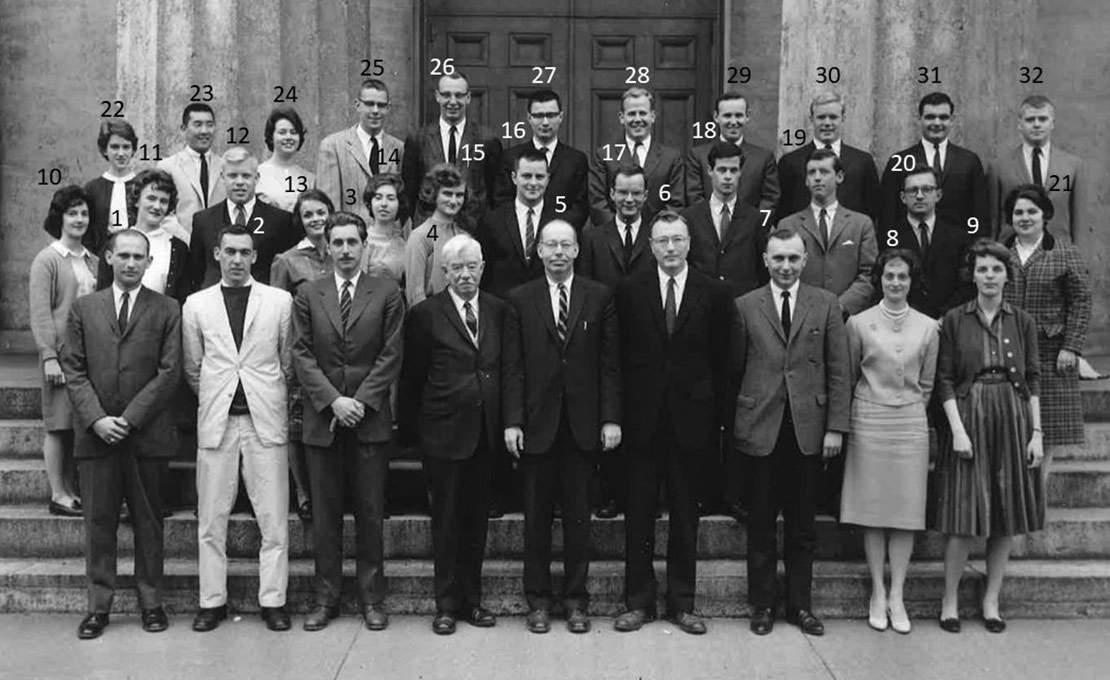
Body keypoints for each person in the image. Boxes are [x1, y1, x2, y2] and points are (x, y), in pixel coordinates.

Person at [612, 211, 732, 635]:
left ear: (688, 243)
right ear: (650, 244)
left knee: (686, 517)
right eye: (661, 240)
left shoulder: (713, 292)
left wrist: (717, 418)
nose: (669, 248)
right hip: (642, 422)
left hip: (691, 422)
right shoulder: (629, 291)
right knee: (639, 516)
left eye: (677, 240)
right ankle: (638, 602)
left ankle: (683, 603)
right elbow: (618, 358)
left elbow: (723, 360)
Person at [61, 229, 182, 640]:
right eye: (124, 255)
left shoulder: (167, 309)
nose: (131, 263)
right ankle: (98, 606)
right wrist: (97, 419)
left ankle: (151, 603)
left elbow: (169, 372)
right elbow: (73, 369)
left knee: (149, 522)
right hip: (96, 435)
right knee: (98, 522)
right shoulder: (83, 308)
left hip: (145, 434)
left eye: (139, 257)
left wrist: (128, 419)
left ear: (150, 262)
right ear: (108, 257)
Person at [502, 219, 621, 634]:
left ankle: (575, 600)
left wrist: (610, 418)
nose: (557, 252)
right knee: (535, 521)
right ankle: (537, 601)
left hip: (583, 426)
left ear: (575, 251)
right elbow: (513, 367)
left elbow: (610, 365)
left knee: (578, 521)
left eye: (564, 245)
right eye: (549, 245)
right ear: (538, 250)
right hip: (536, 426)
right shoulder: (519, 299)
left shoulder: (598, 296)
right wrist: (513, 422)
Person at [730, 227, 850, 637]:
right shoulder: (745, 305)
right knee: (761, 523)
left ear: (805, 260)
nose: (785, 266)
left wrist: (835, 427)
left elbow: (838, 370)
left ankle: (800, 605)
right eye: (778, 258)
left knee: (802, 525)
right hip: (760, 426)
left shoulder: (826, 304)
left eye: (793, 259)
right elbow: (733, 369)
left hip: (808, 429)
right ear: (765, 259)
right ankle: (762, 604)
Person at [292, 211, 404, 632]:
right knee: (325, 517)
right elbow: (301, 353)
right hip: (324, 421)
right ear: (327, 247)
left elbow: (392, 353)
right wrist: (333, 402)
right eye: (336, 243)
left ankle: (373, 599)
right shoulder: (309, 293)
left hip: (369, 420)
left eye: (351, 242)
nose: (343, 250)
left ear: (364, 246)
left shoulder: (387, 292)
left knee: (371, 514)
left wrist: (359, 402)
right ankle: (326, 599)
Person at [183, 226, 294, 633]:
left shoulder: (279, 302)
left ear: (254, 257)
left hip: (264, 419)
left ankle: (274, 601)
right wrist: (221, 393)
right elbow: (193, 367)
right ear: (216, 254)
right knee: (212, 519)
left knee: (274, 519)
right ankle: (211, 601)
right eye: (229, 251)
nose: (236, 259)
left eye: (244, 252)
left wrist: (261, 392)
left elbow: (286, 361)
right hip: (217, 421)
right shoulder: (195, 305)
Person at [933, 238, 1045, 634]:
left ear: (1006, 274)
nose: (990, 276)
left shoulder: (1023, 321)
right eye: (983, 269)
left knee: (1005, 514)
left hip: (1012, 415)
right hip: (969, 413)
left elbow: (1032, 377)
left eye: (997, 269)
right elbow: (944, 380)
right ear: (973, 275)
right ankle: (949, 601)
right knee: (963, 516)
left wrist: (1036, 433)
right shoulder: (953, 319)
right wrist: (958, 431)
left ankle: (991, 600)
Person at [399, 234, 507, 635]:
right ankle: (445, 605)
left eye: (471, 266)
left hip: (485, 434)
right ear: (444, 272)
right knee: (445, 522)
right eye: (456, 268)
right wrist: (416, 434)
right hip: (443, 434)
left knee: (476, 522)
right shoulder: (426, 315)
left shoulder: (497, 310)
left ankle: (473, 601)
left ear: (482, 267)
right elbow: (413, 379)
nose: (465, 275)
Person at [841, 249, 939, 635]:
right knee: (874, 509)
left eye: (902, 277)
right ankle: (877, 593)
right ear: (879, 280)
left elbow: (928, 383)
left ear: (912, 281)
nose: (895, 283)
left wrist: (910, 407)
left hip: (910, 423)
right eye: (889, 276)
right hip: (869, 420)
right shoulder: (860, 324)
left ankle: (898, 592)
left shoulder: (930, 327)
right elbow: (850, 375)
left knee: (905, 510)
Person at [1002, 184, 1091, 448]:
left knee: (1047, 432)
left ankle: (1038, 490)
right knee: (1013, 429)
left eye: (1032, 211)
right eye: (1018, 212)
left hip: (1052, 354)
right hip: (1008, 349)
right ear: (1010, 217)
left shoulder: (1065, 253)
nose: (1025, 218)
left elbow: (1081, 301)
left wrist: (1071, 347)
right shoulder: (999, 254)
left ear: (1045, 215)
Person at [29, 186, 99, 517]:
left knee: (77, 425)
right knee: (58, 426)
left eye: (84, 213)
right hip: (60, 356)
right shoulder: (48, 260)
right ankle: (58, 493)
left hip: (88, 357)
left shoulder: (93, 260)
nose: (79, 219)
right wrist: (49, 357)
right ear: (60, 217)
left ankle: (72, 490)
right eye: (72, 213)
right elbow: (41, 312)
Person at [270, 189, 335, 522]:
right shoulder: (287, 260)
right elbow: (278, 313)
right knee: (297, 422)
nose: (315, 219)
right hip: (302, 349)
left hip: (339, 350)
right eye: (308, 215)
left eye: (321, 212)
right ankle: (303, 492)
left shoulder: (342, 251)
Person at [779, 148, 877, 318]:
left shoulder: (861, 224)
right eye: (811, 173)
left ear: (839, 177)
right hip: (801, 317)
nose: (817, 177)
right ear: (806, 181)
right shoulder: (789, 225)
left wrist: (840, 306)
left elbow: (869, 273)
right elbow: (782, 271)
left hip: (847, 318)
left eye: (824, 172)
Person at [402, 72, 503, 228]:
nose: (453, 101)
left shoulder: (487, 140)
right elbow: (409, 192)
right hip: (430, 230)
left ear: (468, 98)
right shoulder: (418, 139)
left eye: (459, 95)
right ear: (438, 97)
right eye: (446, 95)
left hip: (473, 231)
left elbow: (495, 193)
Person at [880, 92, 989, 235]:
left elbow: (979, 212)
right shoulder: (899, 161)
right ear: (919, 119)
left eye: (943, 117)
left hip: (958, 247)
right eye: (930, 117)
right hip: (910, 247)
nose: (937, 123)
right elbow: (888, 213)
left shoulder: (969, 161)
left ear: (952, 120)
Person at [189, 147, 299, 288]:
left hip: (263, 303)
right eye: (233, 176)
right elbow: (195, 273)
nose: (239, 182)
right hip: (214, 304)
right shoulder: (202, 220)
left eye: (246, 176)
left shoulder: (281, 221)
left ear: (257, 178)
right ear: (222, 177)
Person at [989, 95, 1088, 245]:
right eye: (1030, 120)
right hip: (1012, 254)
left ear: (1052, 123)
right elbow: (993, 221)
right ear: (1019, 124)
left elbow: (1079, 221)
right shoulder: (999, 167)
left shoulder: (1072, 166)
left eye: (1042, 119)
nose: (1036, 125)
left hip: (1058, 253)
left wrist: (1078, 260)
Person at [882, 167, 974, 319]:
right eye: (913, 190)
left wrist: (946, 317)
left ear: (938, 195)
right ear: (903, 197)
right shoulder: (889, 236)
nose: (919, 196)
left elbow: (966, 285)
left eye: (926, 189)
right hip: (902, 322)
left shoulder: (959, 237)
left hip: (949, 322)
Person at [493, 89, 590, 231]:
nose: (545, 122)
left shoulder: (576, 160)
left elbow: (580, 207)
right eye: (538, 116)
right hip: (519, 238)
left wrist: (555, 232)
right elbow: (501, 203)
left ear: (561, 117)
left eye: (551, 115)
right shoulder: (510, 157)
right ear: (529, 118)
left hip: (560, 240)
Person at [778, 92, 881, 222]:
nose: (827, 123)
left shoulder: (863, 161)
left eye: (833, 117)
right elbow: (781, 212)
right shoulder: (790, 162)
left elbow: (874, 209)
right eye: (821, 117)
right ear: (811, 119)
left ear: (843, 118)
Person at [95, 169, 193, 306]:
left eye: (163, 201)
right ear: (136, 200)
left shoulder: (178, 248)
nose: (157, 206)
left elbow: (181, 301)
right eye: (151, 198)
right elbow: (102, 295)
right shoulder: (114, 242)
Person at [589, 87, 685, 226]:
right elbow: (597, 202)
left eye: (643, 113)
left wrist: (654, 232)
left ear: (652, 116)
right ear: (622, 117)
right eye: (632, 114)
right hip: (614, 240)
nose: (638, 119)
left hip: (656, 240)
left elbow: (676, 203)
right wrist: (620, 232)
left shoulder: (671, 158)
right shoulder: (604, 155)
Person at [684, 141, 768, 298]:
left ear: (740, 172)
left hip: (742, 305)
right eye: (722, 170)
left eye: (733, 170)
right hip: (701, 305)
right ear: (710, 171)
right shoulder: (690, 217)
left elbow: (761, 269)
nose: (728, 177)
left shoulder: (755, 219)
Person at [315, 79, 404, 223]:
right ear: (357, 105)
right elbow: (328, 205)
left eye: (381, 105)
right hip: (350, 237)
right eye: (369, 104)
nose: (375, 111)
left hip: (388, 238)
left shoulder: (399, 148)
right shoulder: (333, 146)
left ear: (388, 108)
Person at [477, 148, 556, 302]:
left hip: (546, 310)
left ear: (548, 179)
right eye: (526, 176)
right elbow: (483, 273)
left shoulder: (560, 223)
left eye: (539, 177)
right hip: (501, 310)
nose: (533, 183)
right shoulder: (491, 221)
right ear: (514, 178)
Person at [684, 92, 779, 215]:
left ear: (747, 116)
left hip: (752, 231)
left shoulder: (764, 158)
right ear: (716, 117)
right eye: (727, 116)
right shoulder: (698, 156)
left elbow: (770, 200)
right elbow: (694, 197)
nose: (733, 122)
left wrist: (757, 227)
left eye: (739, 115)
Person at [579, 165, 656, 291]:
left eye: (636, 193)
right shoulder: (592, 239)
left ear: (645, 195)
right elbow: (585, 288)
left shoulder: (656, 236)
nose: (629, 199)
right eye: (623, 192)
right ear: (612, 194)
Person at [405, 164, 470, 306]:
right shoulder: (420, 236)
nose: (454, 201)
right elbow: (415, 295)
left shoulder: (465, 237)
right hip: (431, 317)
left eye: (459, 195)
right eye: (447, 194)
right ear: (434, 194)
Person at [158, 102, 225, 237]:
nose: (204, 131)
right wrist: (188, 242)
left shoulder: (225, 166)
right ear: (183, 128)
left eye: (210, 125)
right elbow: (163, 213)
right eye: (198, 124)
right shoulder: (168, 166)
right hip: (183, 244)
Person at [83, 120, 139, 253]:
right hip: (103, 255)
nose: (120, 153)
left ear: (133, 150)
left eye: (126, 147)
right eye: (114, 147)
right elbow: (87, 230)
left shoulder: (142, 185)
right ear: (105, 150)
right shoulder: (92, 189)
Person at [256, 107, 315, 213]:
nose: (288, 137)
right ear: (271, 137)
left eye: (293, 132)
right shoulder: (257, 174)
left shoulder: (310, 179)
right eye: (282, 132)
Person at [363, 173, 411, 282]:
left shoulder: (403, 244)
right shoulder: (364, 242)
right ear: (370, 202)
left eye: (390, 198)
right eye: (378, 198)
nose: (384, 204)